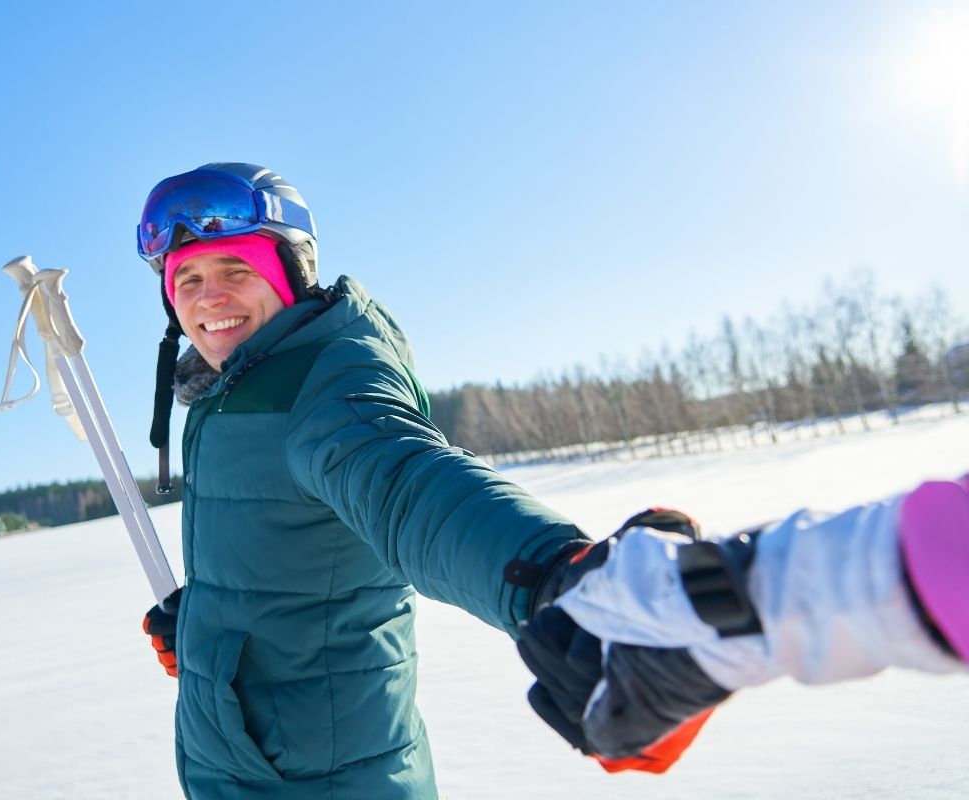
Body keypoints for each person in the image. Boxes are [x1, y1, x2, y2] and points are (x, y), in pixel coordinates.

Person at [135, 163, 969, 797]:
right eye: (188, 281)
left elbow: (408, 487)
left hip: (322, 777)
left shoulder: (326, 383)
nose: (210, 298)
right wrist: (208, 625)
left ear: (291, 273)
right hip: (239, 756)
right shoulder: (231, 392)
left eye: (235, 269)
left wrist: (557, 580)